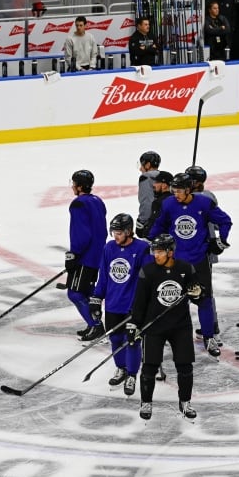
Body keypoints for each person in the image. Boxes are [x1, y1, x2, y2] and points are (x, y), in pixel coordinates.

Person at [148, 172, 232, 358]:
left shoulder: (203, 203)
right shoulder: (168, 204)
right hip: (176, 263)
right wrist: (152, 240)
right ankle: (175, 337)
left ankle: (209, 336)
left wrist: (222, 241)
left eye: (178, 191)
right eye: (173, 190)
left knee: (204, 300)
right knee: (174, 302)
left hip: (199, 262)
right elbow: (159, 226)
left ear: (188, 189)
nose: (175, 194)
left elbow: (225, 221)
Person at [130, 234, 202, 421]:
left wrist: (197, 293)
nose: (156, 255)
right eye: (154, 251)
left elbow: (199, 294)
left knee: (185, 367)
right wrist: (135, 324)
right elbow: (140, 302)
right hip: (154, 326)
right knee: (149, 367)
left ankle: (185, 401)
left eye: (160, 251)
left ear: (170, 252)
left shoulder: (186, 269)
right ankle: (146, 402)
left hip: (180, 326)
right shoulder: (148, 271)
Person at [90, 214, 151, 395]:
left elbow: (146, 279)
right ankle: (121, 368)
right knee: (115, 339)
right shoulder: (109, 248)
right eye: (113, 232)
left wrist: (142, 305)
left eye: (118, 233)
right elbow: (103, 276)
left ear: (128, 231)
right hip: (112, 305)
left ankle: (132, 374)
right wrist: (96, 299)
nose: (115, 236)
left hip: (132, 307)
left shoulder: (142, 248)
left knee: (132, 341)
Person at [66, 169, 108, 341]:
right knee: (89, 292)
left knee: (75, 293)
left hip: (85, 256)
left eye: (74, 183)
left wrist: (74, 254)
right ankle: (95, 324)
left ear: (80, 186)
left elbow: (81, 234)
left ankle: (95, 326)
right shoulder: (98, 201)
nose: (72, 187)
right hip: (98, 255)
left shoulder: (78, 203)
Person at [185, 165, 220, 337]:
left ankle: (181, 326)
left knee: (185, 289)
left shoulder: (192, 200)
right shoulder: (209, 196)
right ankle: (212, 325)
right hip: (207, 251)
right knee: (208, 291)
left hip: (194, 251)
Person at [135, 150, 162, 238]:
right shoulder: (164, 177)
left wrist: (142, 223)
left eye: (142, 165)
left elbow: (147, 202)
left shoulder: (146, 177)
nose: (140, 169)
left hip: (153, 224)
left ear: (148, 165)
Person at [142, 170, 174, 239]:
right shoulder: (174, 199)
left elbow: (154, 224)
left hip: (159, 243)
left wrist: (147, 236)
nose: (154, 185)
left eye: (157, 182)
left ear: (164, 185)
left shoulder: (159, 202)